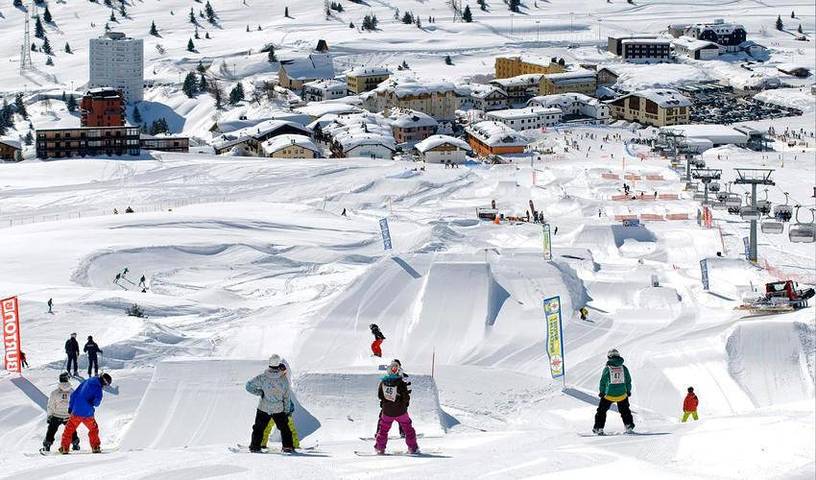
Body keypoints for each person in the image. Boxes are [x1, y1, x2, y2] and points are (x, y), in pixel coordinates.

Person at [245, 355, 295, 453]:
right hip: (278, 409)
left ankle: (255, 446)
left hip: (263, 407)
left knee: (258, 428)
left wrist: (260, 392)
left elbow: (248, 386)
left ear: (269, 363)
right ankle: (287, 447)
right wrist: (286, 411)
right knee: (285, 429)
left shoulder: (262, 377)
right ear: (278, 364)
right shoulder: (283, 380)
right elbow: (286, 398)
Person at [59, 373, 112, 454]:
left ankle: (64, 448)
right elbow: (97, 403)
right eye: (106, 384)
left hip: (76, 411)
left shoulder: (87, 381)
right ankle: (95, 447)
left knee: (69, 429)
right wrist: (91, 402)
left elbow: (74, 395)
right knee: (93, 429)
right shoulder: (98, 389)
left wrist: (70, 407)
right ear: (104, 382)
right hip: (88, 413)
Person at [374, 361, 419, 455]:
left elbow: (380, 395)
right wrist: (404, 405)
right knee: (408, 429)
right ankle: (413, 448)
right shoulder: (401, 383)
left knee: (383, 430)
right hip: (401, 411)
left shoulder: (383, 382)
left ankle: (379, 448)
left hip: (387, 411)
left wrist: (386, 403)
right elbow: (406, 397)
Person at [593, 349, 634, 435]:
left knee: (601, 411)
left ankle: (599, 428)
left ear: (609, 357)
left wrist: (602, 392)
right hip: (622, 394)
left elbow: (603, 381)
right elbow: (628, 380)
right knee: (625, 411)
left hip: (609, 395)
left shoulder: (607, 368)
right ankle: (629, 426)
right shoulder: (624, 368)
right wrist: (628, 391)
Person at [42, 373, 80, 452]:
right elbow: (76, 404)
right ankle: (75, 444)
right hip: (68, 416)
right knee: (72, 430)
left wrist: (49, 416)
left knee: (51, 430)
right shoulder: (73, 392)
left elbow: (51, 405)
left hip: (56, 415)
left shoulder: (54, 393)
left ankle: (47, 445)